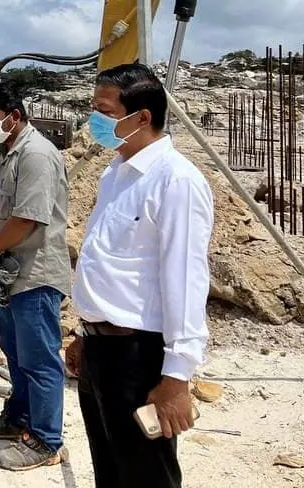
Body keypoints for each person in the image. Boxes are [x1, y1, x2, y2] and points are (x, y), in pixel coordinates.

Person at [66, 63, 214, 488]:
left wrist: (177, 377)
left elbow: (185, 281)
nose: (94, 121)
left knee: (146, 475)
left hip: (138, 357)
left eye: (105, 111)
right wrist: (86, 333)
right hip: (101, 351)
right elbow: (115, 266)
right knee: (111, 472)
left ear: (143, 116)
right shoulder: (115, 173)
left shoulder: (176, 181)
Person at [0, 81, 71, 471]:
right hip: (7, 272)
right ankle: (19, 418)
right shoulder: (5, 151)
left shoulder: (37, 155)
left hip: (34, 275)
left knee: (39, 358)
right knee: (14, 351)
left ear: (14, 115)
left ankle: (46, 440)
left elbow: (27, 217)